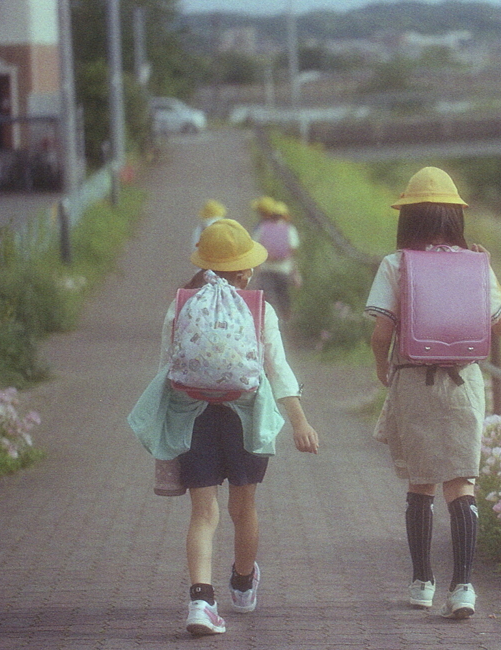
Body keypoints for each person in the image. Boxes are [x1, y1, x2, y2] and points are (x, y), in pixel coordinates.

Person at [128, 218, 320, 636]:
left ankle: (201, 601)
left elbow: (167, 369)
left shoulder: (181, 305)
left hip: (193, 418)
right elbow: (279, 371)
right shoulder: (259, 308)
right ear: (244, 271)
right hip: (245, 419)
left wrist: (162, 433)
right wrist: (300, 422)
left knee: (203, 513)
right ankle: (243, 583)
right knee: (243, 508)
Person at [364, 167, 501, 619]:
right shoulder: (476, 263)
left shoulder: (396, 264)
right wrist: (484, 267)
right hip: (463, 381)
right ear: (455, 217)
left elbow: (381, 332)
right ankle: (463, 586)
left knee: (421, 482)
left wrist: (382, 367)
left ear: (408, 217)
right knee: (462, 482)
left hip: (414, 380)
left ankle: (422, 583)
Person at [251, 197, 302, 323]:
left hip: (266, 268)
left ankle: (267, 320)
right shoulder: (289, 229)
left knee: (267, 297)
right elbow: (294, 248)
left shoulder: (263, 227)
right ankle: (285, 319)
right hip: (284, 269)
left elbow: (254, 245)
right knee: (283, 295)